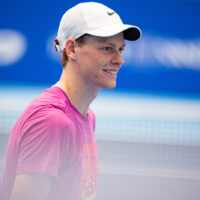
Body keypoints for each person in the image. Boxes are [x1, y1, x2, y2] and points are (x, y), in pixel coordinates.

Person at [0, 2, 141, 200]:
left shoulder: (86, 116)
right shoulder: (51, 122)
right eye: (107, 48)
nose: (119, 59)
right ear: (72, 48)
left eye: (120, 49)